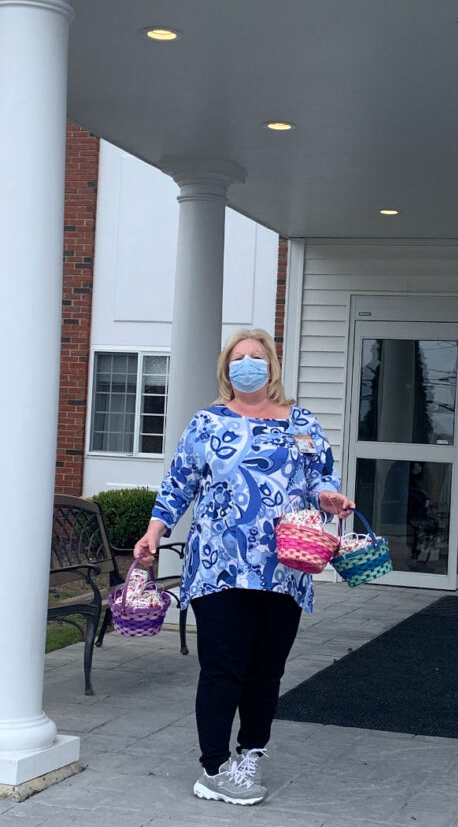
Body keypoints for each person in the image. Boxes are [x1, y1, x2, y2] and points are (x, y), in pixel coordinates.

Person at [133, 328, 354, 807]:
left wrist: (330, 498)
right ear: (226, 368)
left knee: (266, 670)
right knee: (223, 668)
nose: (248, 364)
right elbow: (178, 484)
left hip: (285, 566)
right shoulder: (207, 423)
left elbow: (322, 478)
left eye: (257, 357)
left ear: (272, 365)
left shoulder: (303, 422)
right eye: (239, 358)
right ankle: (213, 767)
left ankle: (250, 752)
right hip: (219, 564)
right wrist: (155, 531)